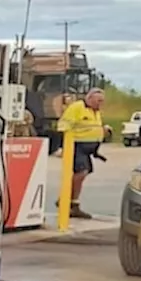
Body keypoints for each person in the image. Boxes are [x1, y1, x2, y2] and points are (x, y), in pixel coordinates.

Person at [57, 88, 106, 219]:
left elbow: (91, 127)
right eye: (98, 101)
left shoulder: (95, 111)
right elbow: (63, 125)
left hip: (88, 149)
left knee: (84, 173)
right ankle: (66, 200)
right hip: (76, 145)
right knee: (81, 172)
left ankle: (73, 203)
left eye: (102, 101)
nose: (100, 104)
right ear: (89, 98)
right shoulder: (77, 107)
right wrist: (63, 146)